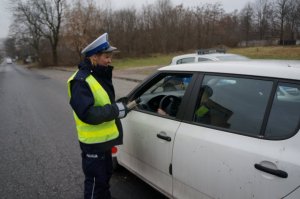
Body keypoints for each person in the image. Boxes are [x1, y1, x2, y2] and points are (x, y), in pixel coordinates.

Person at [67, 32, 129, 199]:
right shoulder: (80, 81)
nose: (110, 60)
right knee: (95, 183)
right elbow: (87, 114)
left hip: (104, 143)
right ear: (94, 57)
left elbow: (103, 103)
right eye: (106, 57)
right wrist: (116, 110)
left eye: (110, 57)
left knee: (104, 179)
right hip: (93, 145)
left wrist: (122, 105)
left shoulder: (99, 75)